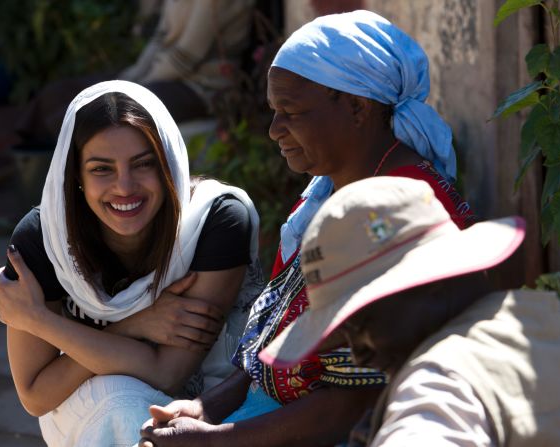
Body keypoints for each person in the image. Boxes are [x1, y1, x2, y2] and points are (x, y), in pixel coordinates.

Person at [137, 10, 475, 447]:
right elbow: (273, 343)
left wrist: (213, 439)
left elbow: (354, 402)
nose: (275, 129)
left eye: (291, 111)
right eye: (274, 111)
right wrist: (206, 408)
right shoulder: (329, 196)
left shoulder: (399, 213)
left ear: (357, 107)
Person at [0, 80, 264, 446]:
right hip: (91, 411)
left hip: (212, 407)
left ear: (168, 162)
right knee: (118, 400)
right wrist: (134, 326)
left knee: (125, 402)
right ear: (75, 176)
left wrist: (40, 321)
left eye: (143, 164)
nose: (124, 186)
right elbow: (35, 395)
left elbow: (169, 374)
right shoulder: (45, 241)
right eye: (101, 169)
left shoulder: (215, 221)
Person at [259, 176, 560, 446]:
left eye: (359, 325)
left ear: (423, 281)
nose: (359, 352)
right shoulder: (543, 318)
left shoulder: (437, 383)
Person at [16, 0, 255, 149]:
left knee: (94, 108)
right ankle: (28, 159)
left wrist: (132, 88)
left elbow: (187, 55)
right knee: (58, 93)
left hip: (200, 89)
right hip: (162, 78)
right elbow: (160, 39)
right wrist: (128, 79)